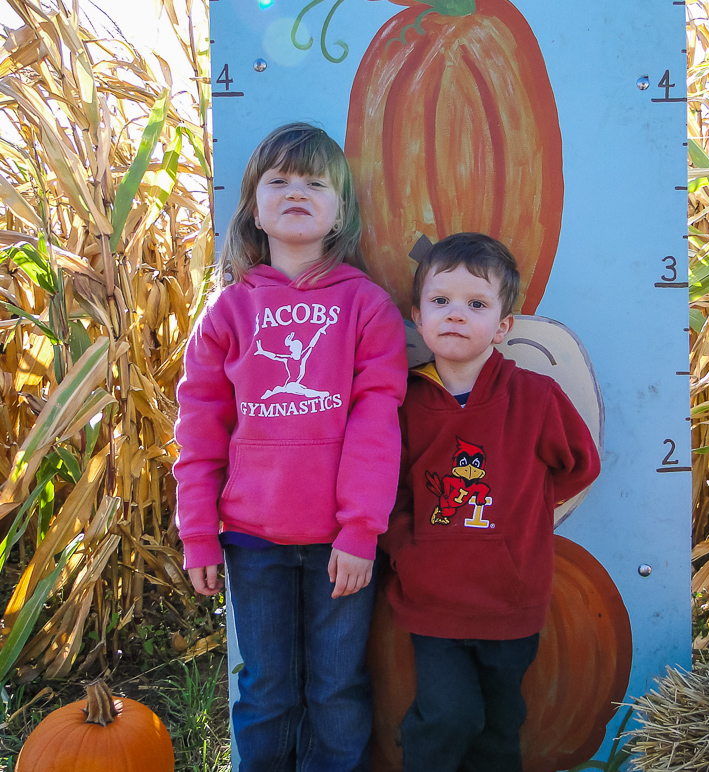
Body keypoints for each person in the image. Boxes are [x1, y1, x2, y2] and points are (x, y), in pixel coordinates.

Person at [173, 122, 407, 771]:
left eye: (315, 182)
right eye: (278, 181)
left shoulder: (368, 308)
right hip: (252, 542)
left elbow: (375, 421)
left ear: (341, 212)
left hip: (342, 545)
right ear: (253, 206)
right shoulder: (227, 313)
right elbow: (198, 429)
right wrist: (198, 532)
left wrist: (361, 530)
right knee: (268, 689)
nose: (295, 191)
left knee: (336, 689)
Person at [380, 232, 601, 772]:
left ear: (503, 326)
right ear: (417, 315)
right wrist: (410, 551)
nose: (456, 314)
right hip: (434, 602)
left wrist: (521, 514)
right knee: (447, 717)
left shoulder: (534, 397)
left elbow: (579, 465)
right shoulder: (402, 403)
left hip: (511, 602)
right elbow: (386, 492)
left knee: (500, 731)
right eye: (440, 301)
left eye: (476, 304)